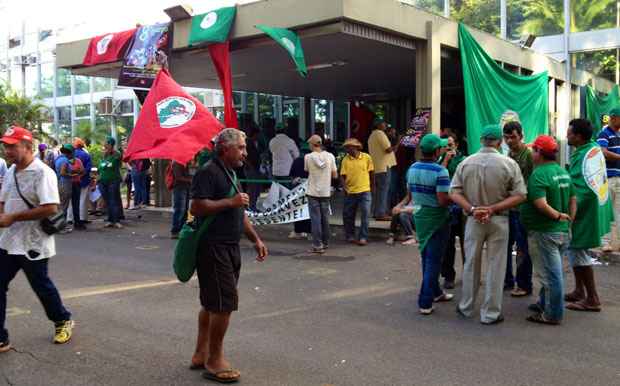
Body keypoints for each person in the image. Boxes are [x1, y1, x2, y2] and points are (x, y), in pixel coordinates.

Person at [189, 128, 268, 383]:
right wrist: (229, 202)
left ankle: (201, 353)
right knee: (223, 304)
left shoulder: (232, 173)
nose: (245, 153)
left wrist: (255, 238)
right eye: (241, 148)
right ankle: (214, 360)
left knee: (212, 303)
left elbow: (239, 212)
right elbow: (197, 206)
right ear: (225, 148)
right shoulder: (208, 171)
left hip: (230, 246)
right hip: (213, 247)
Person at [0, 126, 74, 353]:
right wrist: (3, 214)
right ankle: (1, 337)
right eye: (6, 145)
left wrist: (13, 217)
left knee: (41, 286)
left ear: (28, 147)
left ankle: (62, 319)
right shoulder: (11, 171)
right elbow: (3, 201)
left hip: (33, 242)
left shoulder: (43, 172)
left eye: (13, 146)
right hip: (8, 241)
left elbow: (51, 207)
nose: (7, 150)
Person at [450, 124, 527, 325]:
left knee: (470, 264)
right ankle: (491, 313)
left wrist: (474, 209)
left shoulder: (466, 163)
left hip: (473, 219)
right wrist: (492, 209)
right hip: (499, 219)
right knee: (497, 266)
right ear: (499, 142)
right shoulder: (508, 164)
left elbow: (454, 192)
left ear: (482, 140)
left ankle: (466, 307)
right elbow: (521, 195)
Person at [520, 135, 576, 325]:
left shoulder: (540, 174)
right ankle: (544, 302)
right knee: (552, 270)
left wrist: (557, 216)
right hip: (560, 230)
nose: (532, 153)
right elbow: (573, 199)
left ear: (539, 153)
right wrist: (568, 220)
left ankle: (552, 314)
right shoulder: (562, 172)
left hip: (545, 231)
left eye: (534, 150)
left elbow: (540, 203)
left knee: (551, 274)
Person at [565, 119, 612, 312]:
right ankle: (579, 290)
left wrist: (566, 209)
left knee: (579, 250)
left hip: (585, 209)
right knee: (575, 249)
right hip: (593, 205)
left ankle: (592, 298)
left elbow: (579, 187)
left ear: (578, 136)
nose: (566, 135)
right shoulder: (591, 149)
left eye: (569, 133)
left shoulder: (585, 154)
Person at [408, 134, 453, 315]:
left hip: (420, 216)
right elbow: (442, 200)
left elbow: (410, 194)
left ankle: (436, 292)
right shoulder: (440, 172)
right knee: (434, 260)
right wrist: (456, 199)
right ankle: (425, 301)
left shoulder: (412, 168)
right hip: (437, 218)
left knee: (427, 256)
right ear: (436, 151)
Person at [502, 121, 534, 297]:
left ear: (521, 136)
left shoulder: (528, 156)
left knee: (522, 248)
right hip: (508, 209)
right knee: (505, 247)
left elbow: (531, 183)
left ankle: (523, 284)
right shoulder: (507, 156)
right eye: (506, 137)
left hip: (522, 210)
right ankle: (507, 280)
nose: (509, 141)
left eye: (513, 137)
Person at [438, 133, 466, 289]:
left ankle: (469, 274)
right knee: (447, 244)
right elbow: (438, 175)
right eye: (445, 145)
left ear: (456, 144)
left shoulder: (463, 160)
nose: (448, 147)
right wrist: (446, 160)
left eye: (451, 144)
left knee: (466, 243)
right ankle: (448, 276)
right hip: (446, 207)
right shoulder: (439, 160)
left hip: (462, 207)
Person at [305, 134, 337, 253]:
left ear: (313, 144)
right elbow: (335, 175)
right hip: (325, 192)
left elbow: (307, 170)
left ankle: (317, 245)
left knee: (315, 219)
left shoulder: (308, 157)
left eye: (309, 144)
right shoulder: (330, 156)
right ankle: (326, 242)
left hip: (312, 192)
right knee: (325, 218)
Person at [340, 138, 374, 246]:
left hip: (365, 190)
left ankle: (363, 237)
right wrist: (344, 187)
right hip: (351, 191)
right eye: (346, 147)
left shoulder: (366, 157)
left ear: (355, 147)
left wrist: (373, 188)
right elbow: (342, 175)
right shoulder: (345, 159)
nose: (347, 149)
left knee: (365, 214)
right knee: (348, 214)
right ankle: (350, 235)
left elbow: (372, 173)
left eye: (349, 147)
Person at [596, 107, 620, 252]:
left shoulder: (618, 134)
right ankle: (605, 242)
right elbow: (602, 152)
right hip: (607, 178)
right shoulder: (604, 134)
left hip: (619, 177)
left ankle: (616, 242)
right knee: (606, 211)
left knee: (618, 211)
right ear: (614, 117)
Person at [368, 118, 397, 220]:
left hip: (377, 167)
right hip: (383, 167)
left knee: (379, 191)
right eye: (384, 123)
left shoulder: (372, 135)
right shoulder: (380, 134)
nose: (385, 125)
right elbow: (388, 149)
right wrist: (398, 144)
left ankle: (377, 212)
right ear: (379, 125)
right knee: (383, 190)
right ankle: (381, 213)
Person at [288, 142, 312, 240]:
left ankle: (298, 231)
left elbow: (292, 175)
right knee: (309, 211)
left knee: (298, 210)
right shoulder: (312, 161)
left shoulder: (297, 161)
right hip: (310, 189)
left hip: (298, 190)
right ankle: (309, 232)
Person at [98, 137, 123, 229]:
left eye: (106, 144)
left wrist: (107, 157)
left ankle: (116, 221)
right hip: (102, 181)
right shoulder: (103, 155)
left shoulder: (117, 154)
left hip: (113, 180)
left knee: (113, 200)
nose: (105, 145)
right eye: (105, 144)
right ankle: (109, 220)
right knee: (107, 201)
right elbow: (100, 167)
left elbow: (113, 163)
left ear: (111, 144)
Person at [54, 145, 75, 233]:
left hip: (58, 183)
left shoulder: (58, 159)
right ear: (69, 152)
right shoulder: (65, 160)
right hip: (65, 184)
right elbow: (63, 172)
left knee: (60, 206)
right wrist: (72, 175)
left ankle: (59, 226)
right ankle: (60, 227)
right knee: (63, 207)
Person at [170, 161, 193, 239]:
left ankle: (182, 229)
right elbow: (178, 177)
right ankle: (175, 230)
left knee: (185, 209)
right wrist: (189, 180)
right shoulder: (177, 163)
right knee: (180, 209)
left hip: (186, 188)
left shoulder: (186, 163)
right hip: (179, 188)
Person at [73, 138, 91, 227]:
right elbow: (88, 168)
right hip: (84, 180)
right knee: (83, 199)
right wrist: (82, 175)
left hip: (73, 180)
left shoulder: (70, 154)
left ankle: (70, 218)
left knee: (72, 200)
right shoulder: (86, 155)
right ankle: (83, 217)